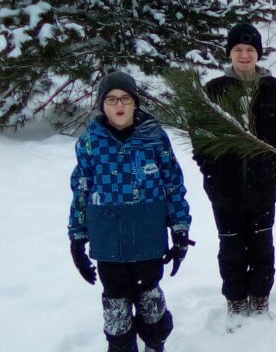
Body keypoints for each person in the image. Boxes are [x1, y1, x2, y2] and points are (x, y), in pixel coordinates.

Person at [68, 71, 192, 352]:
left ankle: (154, 343)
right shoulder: (89, 142)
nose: (119, 104)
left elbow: (173, 184)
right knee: (115, 299)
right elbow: (82, 190)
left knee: (149, 295)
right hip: (107, 236)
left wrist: (180, 229)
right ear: (102, 105)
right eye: (111, 99)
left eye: (125, 98)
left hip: (147, 234)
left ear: (135, 103)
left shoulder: (154, 137)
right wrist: (77, 237)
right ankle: (122, 347)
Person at [193, 23, 276, 329]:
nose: (243, 55)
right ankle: (236, 299)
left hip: (263, 187)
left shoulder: (273, 89)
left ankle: (260, 297)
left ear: (258, 54)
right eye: (238, 50)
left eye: (250, 50)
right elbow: (199, 137)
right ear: (230, 53)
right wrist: (212, 174)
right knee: (231, 246)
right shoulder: (214, 90)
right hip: (224, 189)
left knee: (262, 245)